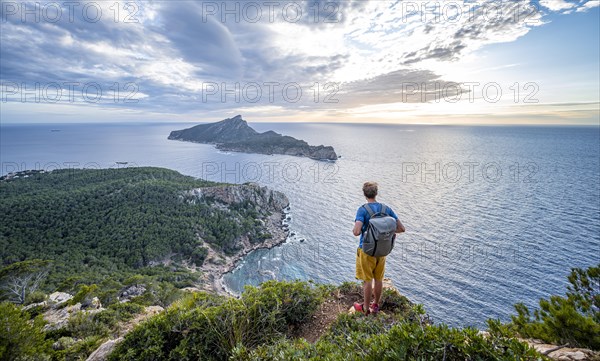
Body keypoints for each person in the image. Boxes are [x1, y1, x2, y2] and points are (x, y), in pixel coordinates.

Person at [352, 181, 405, 315]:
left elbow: (356, 231)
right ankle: (375, 306)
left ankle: (365, 308)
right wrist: (385, 233)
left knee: (367, 280)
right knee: (379, 279)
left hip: (367, 251)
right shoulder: (386, 209)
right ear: (376, 193)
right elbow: (401, 228)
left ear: (364, 194)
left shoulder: (363, 210)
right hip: (382, 251)